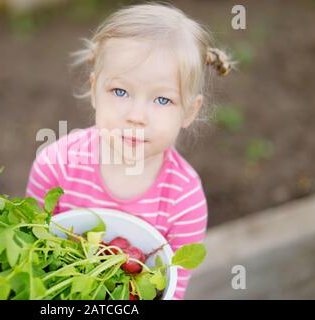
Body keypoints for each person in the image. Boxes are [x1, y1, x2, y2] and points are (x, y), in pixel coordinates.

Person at [25, 1, 234, 300]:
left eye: (162, 100)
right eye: (120, 92)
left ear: (189, 111)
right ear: (95, 90)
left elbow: (172, 289)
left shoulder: (183, 200)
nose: (137, 115)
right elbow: (28, 249)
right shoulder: (55, 165)